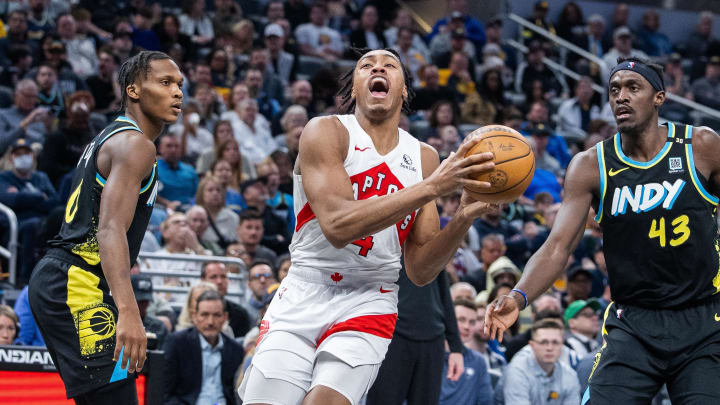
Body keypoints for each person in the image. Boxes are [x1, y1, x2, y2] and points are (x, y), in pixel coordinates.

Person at [238, 48, 496, 405]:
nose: (378, 67)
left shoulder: (423, 158)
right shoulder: (326, 132)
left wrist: (463, 218)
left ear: (403, 90)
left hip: (369, 298)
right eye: (366, 66)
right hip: (305, 287)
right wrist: (432, 187)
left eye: (390, 65)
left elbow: (421, 270)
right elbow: (338, 226)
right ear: (355, 89)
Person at [486, 57, 720, 403]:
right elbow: (557, 247)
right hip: (633, 323)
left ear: (659, 97)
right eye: (614, 90)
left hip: (703, 319)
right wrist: (518, 297)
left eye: (632, 87)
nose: (620, 97)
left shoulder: (700, 146)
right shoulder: (590, 165)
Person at [28, 51, 182, 403]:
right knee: (116, 393)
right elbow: (109, 230)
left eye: (179, 85)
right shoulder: (136, 145)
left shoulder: (112, 136)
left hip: (70, 277)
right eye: (165, 82)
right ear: (133, 90)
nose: (177, 93)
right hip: (74, 280)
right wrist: (129, 313)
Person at [163, 289, 244, 405]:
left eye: (216, 315)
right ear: (194, 317)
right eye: (205, 315)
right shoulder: (177, 343)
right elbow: (165, 393)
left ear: (225, 317)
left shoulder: (235, 350)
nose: (210, 322)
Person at [502, 319, 580, 404]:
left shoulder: (570, 375)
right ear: (532, 345)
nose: (549, 348)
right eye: (543, 342)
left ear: (562, 346)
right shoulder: (517, 371)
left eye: (555, 342)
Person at [438, 298, 493, 405]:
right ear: (447, 320)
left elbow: (486, 401)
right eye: (461, 320)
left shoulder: (478, 361)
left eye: (472, 322)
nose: (467, 326)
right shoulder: (427, 356)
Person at [200, 261, 252, 338]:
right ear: (203, 280)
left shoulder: (239, 314)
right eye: (213, 277)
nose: (219, 281)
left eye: (223, 276)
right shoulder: (191, 309)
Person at [130, 274, 168, 350]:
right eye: (140, 301)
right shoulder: (114, 325)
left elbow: (162, 357)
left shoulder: (158, 327)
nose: (144, 304)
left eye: (146, 301)